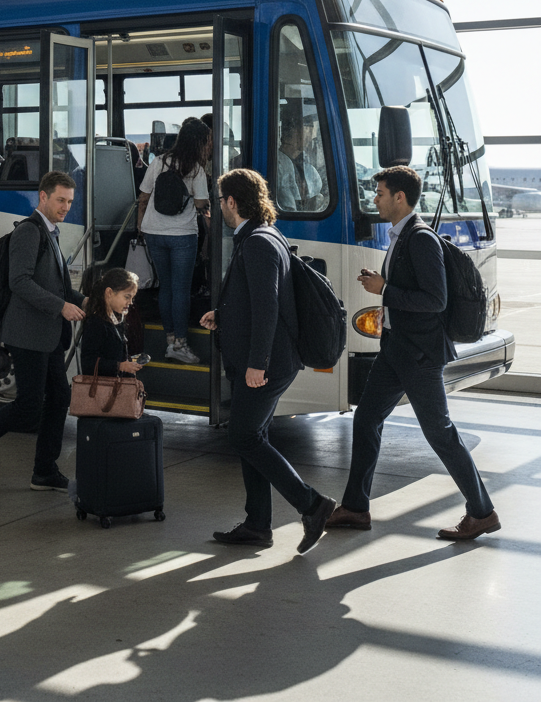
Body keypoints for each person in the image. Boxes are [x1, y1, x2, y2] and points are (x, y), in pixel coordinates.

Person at [326, 166, 500, 540]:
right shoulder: (401, 236)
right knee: (366, 419)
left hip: (419, 355)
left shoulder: (420, 239)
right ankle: (356, 508)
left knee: (440, 433)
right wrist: (385, 287)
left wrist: (384, 289)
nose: (375, 199)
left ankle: (482, 512)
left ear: (399, 197)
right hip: (396, 350)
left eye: (380, 193)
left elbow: (435, 300)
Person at [200, 168, 336, 554]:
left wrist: (256, 363)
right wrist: (223, 316)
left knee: (243, 435)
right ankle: (258, 524)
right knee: (252, 437)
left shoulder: (257, 242)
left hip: (267, 363)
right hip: (268, 359)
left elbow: (267, 307)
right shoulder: (264, 236)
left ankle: (312, 505)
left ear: (231, 201)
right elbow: (254, 298)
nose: (220, 207)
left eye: (221, 200)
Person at [0, 171, 86, 492]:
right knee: (28, 407)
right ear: (43, 197)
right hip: (27, 335)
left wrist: (85, 301)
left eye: (70, 202)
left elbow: (58, 286)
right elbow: (19, 282)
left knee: (59, 397)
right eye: (60, 200)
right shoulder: (29, 232)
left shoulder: (51, 233)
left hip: (46, 334)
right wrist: (61, 307)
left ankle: (45, 471)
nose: (66, 207)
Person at [136, 117, 211, 364]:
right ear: (199, 143)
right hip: (182, 235)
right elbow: (201, 204)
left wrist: (141, 226)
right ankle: (180, 344)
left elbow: (144, 197)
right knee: (181, 290)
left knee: (166, 287)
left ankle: (170, 340)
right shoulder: (197, 170)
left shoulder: (158, 161)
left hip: (154, 232)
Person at [80, 268, 145, 378]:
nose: (130, 302)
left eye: (132, 298)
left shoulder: (117, 318)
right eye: (127, 297)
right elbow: (88, 363)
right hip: (102, 389)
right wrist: (120, 366)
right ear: (109, 292)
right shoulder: (96, 323)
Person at [276, 104, 324, 212]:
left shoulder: (307, 166)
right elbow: (288, 207)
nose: (311, 135)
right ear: (293, 130)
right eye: (307, 127)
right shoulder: (278, 165)